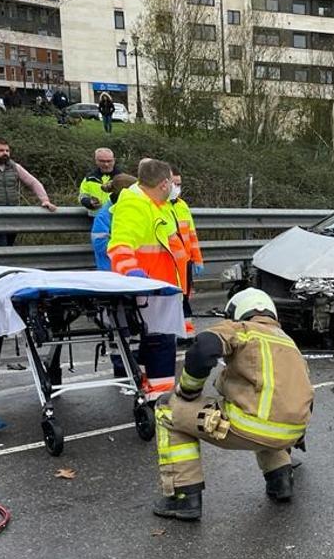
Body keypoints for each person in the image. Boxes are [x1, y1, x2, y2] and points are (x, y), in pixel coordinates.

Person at [153, 289, 313, 521]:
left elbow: (204, 348)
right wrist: (298, 435)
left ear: (237, 313)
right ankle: (280, 479)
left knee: (167, 407)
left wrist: (188, 390)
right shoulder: (289, 344)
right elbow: (303, 395)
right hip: (291, 433)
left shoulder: (242, 330)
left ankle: (184, 496)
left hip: (249, 427)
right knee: (267, 412)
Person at [107, 158, 190, 402]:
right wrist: (133, 274)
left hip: (162, 287)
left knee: (155, 342)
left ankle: (147, 389)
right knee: (161, 343)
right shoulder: (135, 205)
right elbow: (120, 246)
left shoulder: (157, 204)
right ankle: (161, 397)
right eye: (171, 183)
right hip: (151, 288)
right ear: (164, 183)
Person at [91, 174, 138, 382]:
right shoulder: (105, 214)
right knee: (117, 325)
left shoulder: (129, 209)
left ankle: (134, 364)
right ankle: (120, 367)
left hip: (129, 276)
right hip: (111, 276)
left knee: (133, 324)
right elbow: (100, 245)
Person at [0, 138, 55, 246]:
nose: (5, 153)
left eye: (7, 151)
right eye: (1, 150)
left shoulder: (13, 166)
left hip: (12, 214)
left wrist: (45, 200)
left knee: (8, 246)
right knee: (1, 246)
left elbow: (33, 182)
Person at [169, 167, 203, 333]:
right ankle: (179, 331)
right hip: (169, 262)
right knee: (175, 298)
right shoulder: (158, 206)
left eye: (179, 184)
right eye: (174, 184)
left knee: (184, 296)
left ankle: (185, 331)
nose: (177, 188)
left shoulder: (182, 206)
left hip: (185, 261)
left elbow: (191, 235)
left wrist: (197, 259)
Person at [78, 147, 121, 213]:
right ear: (96, 161)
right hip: (95, 218)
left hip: (116, 217)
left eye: (109, 161)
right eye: (102, 161)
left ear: (114, 160)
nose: (106, 164)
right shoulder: (89, 179)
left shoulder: (122, 178)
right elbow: (82, 196)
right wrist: (89, 202)